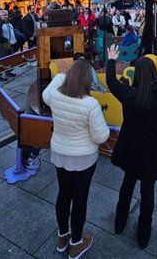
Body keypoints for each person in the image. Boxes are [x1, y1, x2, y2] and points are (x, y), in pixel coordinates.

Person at [105, 45, 157, 249]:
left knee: (127, 186)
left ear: (136, 74)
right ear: (154, 75)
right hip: (152, 155)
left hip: (130, 151)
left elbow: (111, 81)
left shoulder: (128, 95)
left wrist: (111, 60)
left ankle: (120, 222)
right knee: (148, 193)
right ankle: (144, 233)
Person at [42, 59, 110, 258]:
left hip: (61, 155)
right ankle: (77, 242)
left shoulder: (54, 95)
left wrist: (63, 74)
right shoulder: (90, 104)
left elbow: (47, 93)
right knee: (80, 198)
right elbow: (100, 136)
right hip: (84, 159)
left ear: (70, 76)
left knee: (63, 194)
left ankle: (62, 236)